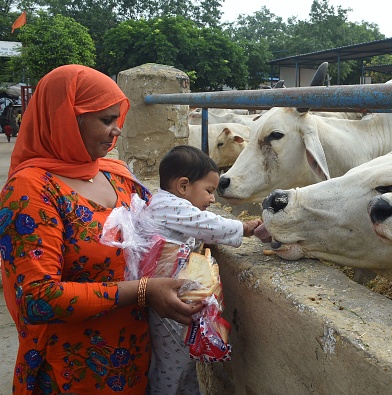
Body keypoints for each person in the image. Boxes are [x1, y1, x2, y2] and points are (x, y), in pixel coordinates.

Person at [0, 64, 202, 394]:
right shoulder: (32, 190)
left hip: (133, 358)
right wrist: (143, 290)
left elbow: (166, 225)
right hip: (73, 368)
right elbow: (38, 298)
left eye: (117, 119)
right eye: (106, 121)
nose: (117, 130)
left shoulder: (115, 173)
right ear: (67, 119)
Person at [144, 144, 267, 394]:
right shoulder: (169, 205)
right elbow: (205, 224)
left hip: (172, 299)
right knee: (172, 363)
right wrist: (243, 227)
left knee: (184, 360)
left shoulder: (166, 205)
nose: (212, 199)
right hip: (167, 305)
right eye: (209, 191)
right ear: (183, 186)